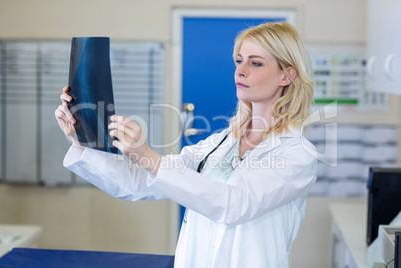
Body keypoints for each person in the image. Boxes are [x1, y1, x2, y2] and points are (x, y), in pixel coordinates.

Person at [55, 22, 317, 268]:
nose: (241, 70)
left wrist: (147, 154)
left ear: (287, 75)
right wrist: (82, 138)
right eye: (239, 61)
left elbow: (235, 205)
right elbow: (135, 183)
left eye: (256, 63)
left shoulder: (297, 154)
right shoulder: (221, 143)